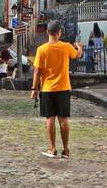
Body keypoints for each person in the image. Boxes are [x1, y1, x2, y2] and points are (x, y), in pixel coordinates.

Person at [32, 20, 81, 158]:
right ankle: (66, 150)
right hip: (63, 88)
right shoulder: (66, 47)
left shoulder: (41, 49)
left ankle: (52, 149)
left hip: (47, 89)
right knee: (63, 119)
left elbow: (36, 71)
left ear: (47, 32)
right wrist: (79, 47)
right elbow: (77, 55)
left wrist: (34, 89)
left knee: (50, 119)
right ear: (59, 33)